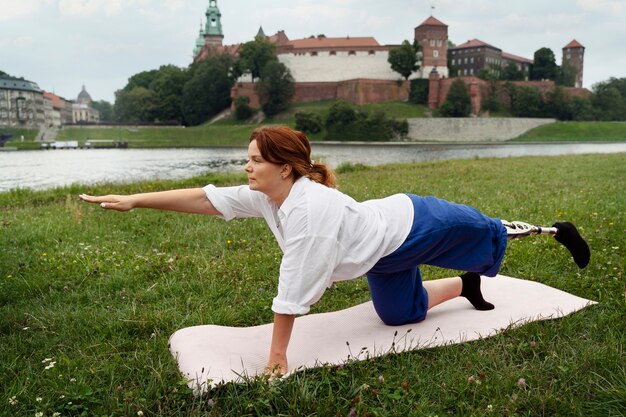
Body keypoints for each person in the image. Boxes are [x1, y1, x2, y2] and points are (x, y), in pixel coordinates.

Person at [79, 125, 590, 377]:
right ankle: (465, 285)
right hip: (381, 251)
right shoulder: (269, 196)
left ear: (285, 168)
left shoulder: (310, 212)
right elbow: (205, 198)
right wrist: (136, 200)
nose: (246, 168)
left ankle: (552, 229)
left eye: (254, 161)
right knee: (398, 315)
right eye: (246, 159)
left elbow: (292, 292)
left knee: (489, 233)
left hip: (419, 223)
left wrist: (277, 360)